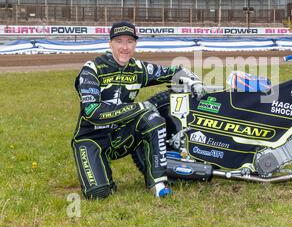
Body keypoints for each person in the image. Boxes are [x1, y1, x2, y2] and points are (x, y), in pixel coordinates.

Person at [71, 21, 203, 199]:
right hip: (91, 138)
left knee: (153, 118)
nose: (125, 47)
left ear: (135, 44)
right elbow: (92, 111)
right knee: (99, 194)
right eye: (119, 41)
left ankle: (157, 184)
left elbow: (172, 71)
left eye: (130, 42)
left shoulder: (138, 68)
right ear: (110, 43)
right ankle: (101, 176)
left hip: (121, 136)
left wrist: (192, 79)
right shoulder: (92, 69)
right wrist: (138, 107)